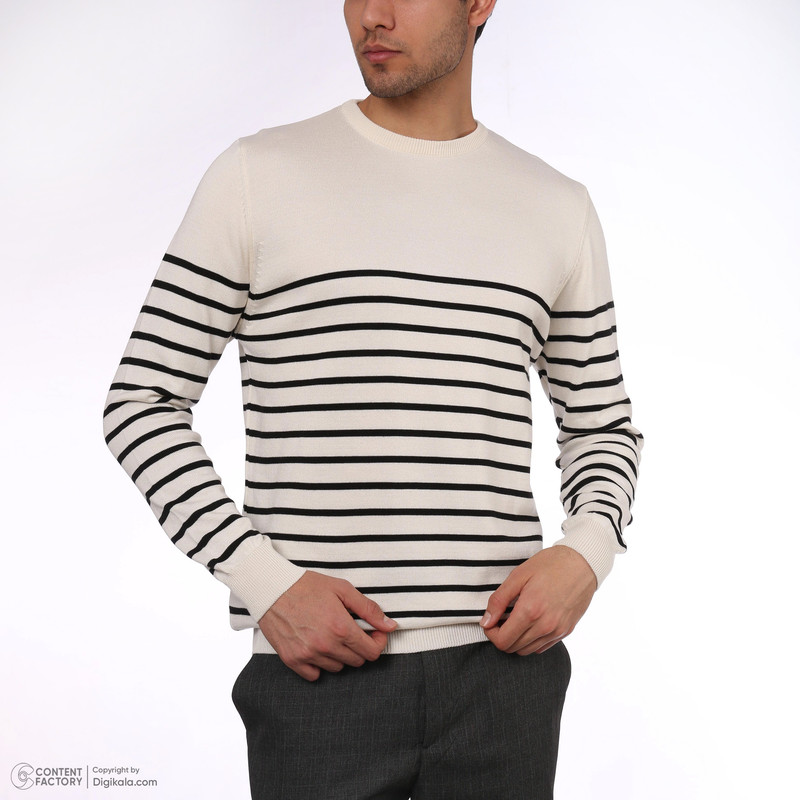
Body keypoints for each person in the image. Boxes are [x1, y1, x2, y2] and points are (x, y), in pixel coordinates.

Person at [103, 1, 643, 797]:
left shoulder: (556, 205)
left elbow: (602, 426)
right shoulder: (259, 174)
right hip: (320, 680)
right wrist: (264, 581)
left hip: (506, 683)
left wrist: (587, 553)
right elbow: (141, 400)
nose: (372, 15)